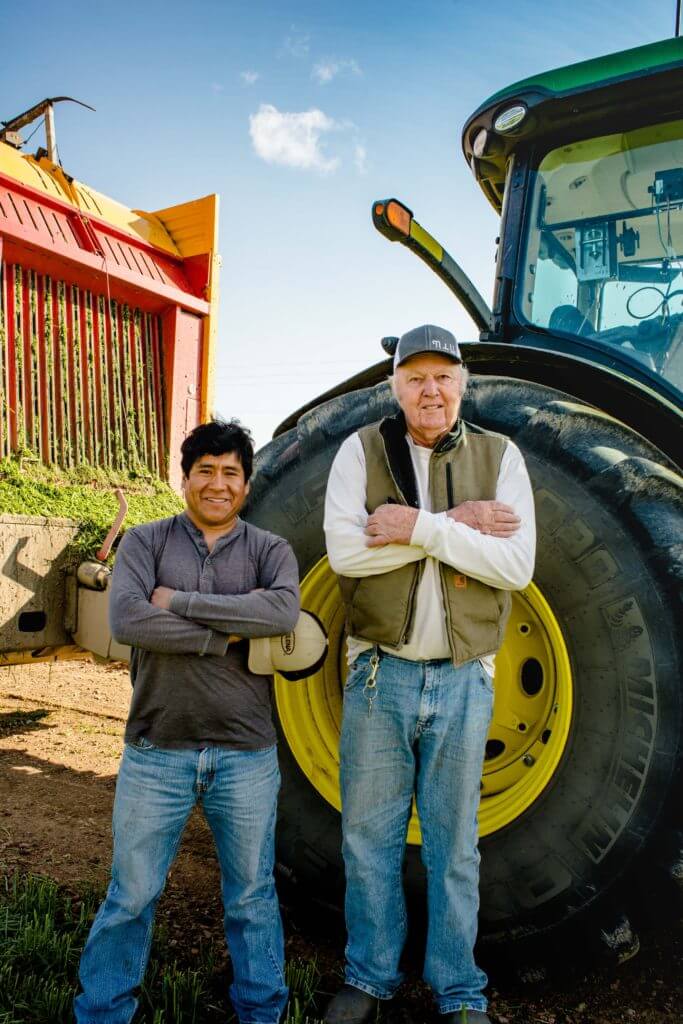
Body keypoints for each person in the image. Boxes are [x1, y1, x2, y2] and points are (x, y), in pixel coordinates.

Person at [323, 325, 536, 1024]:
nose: (430, 390)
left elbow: (513, 566)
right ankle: (368, 976)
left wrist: (417, 526)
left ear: (462, 384)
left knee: (453, 848)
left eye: (442, 376)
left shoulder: (500, 456)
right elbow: (347, 556)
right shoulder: (359, 451)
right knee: (367, 840)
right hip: (379, 677)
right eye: (414, 377)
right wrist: (457, 528)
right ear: (393, 386)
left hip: (462, 679)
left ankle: (458, 990)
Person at [74, 418, 300, 1024]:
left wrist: (179, 602)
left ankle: (261, 1012)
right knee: (131, 895)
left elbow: (281, 613)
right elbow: (128, 622)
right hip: (156, 748)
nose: (218, 484)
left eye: (231, 472)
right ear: (185, 479)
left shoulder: (269, 549)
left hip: (245, 754)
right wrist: (230, 630)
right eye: (206, 470)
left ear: (246, 485)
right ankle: (102, 1012)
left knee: (252, 898)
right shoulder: (146, 543)